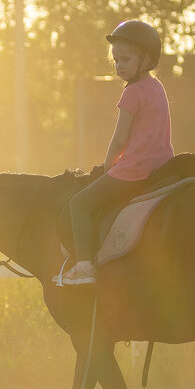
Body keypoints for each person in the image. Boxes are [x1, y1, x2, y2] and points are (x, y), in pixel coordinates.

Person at [57, 19, 175, 286]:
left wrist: (106, 166)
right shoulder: (157, 87)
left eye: (125, 59)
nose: (120, 66)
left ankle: (85, 266)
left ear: (145, 59)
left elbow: (120, 137)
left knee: (79, 203)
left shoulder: (132, 93)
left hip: (133, 170)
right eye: (116, 61)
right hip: (161, 165)